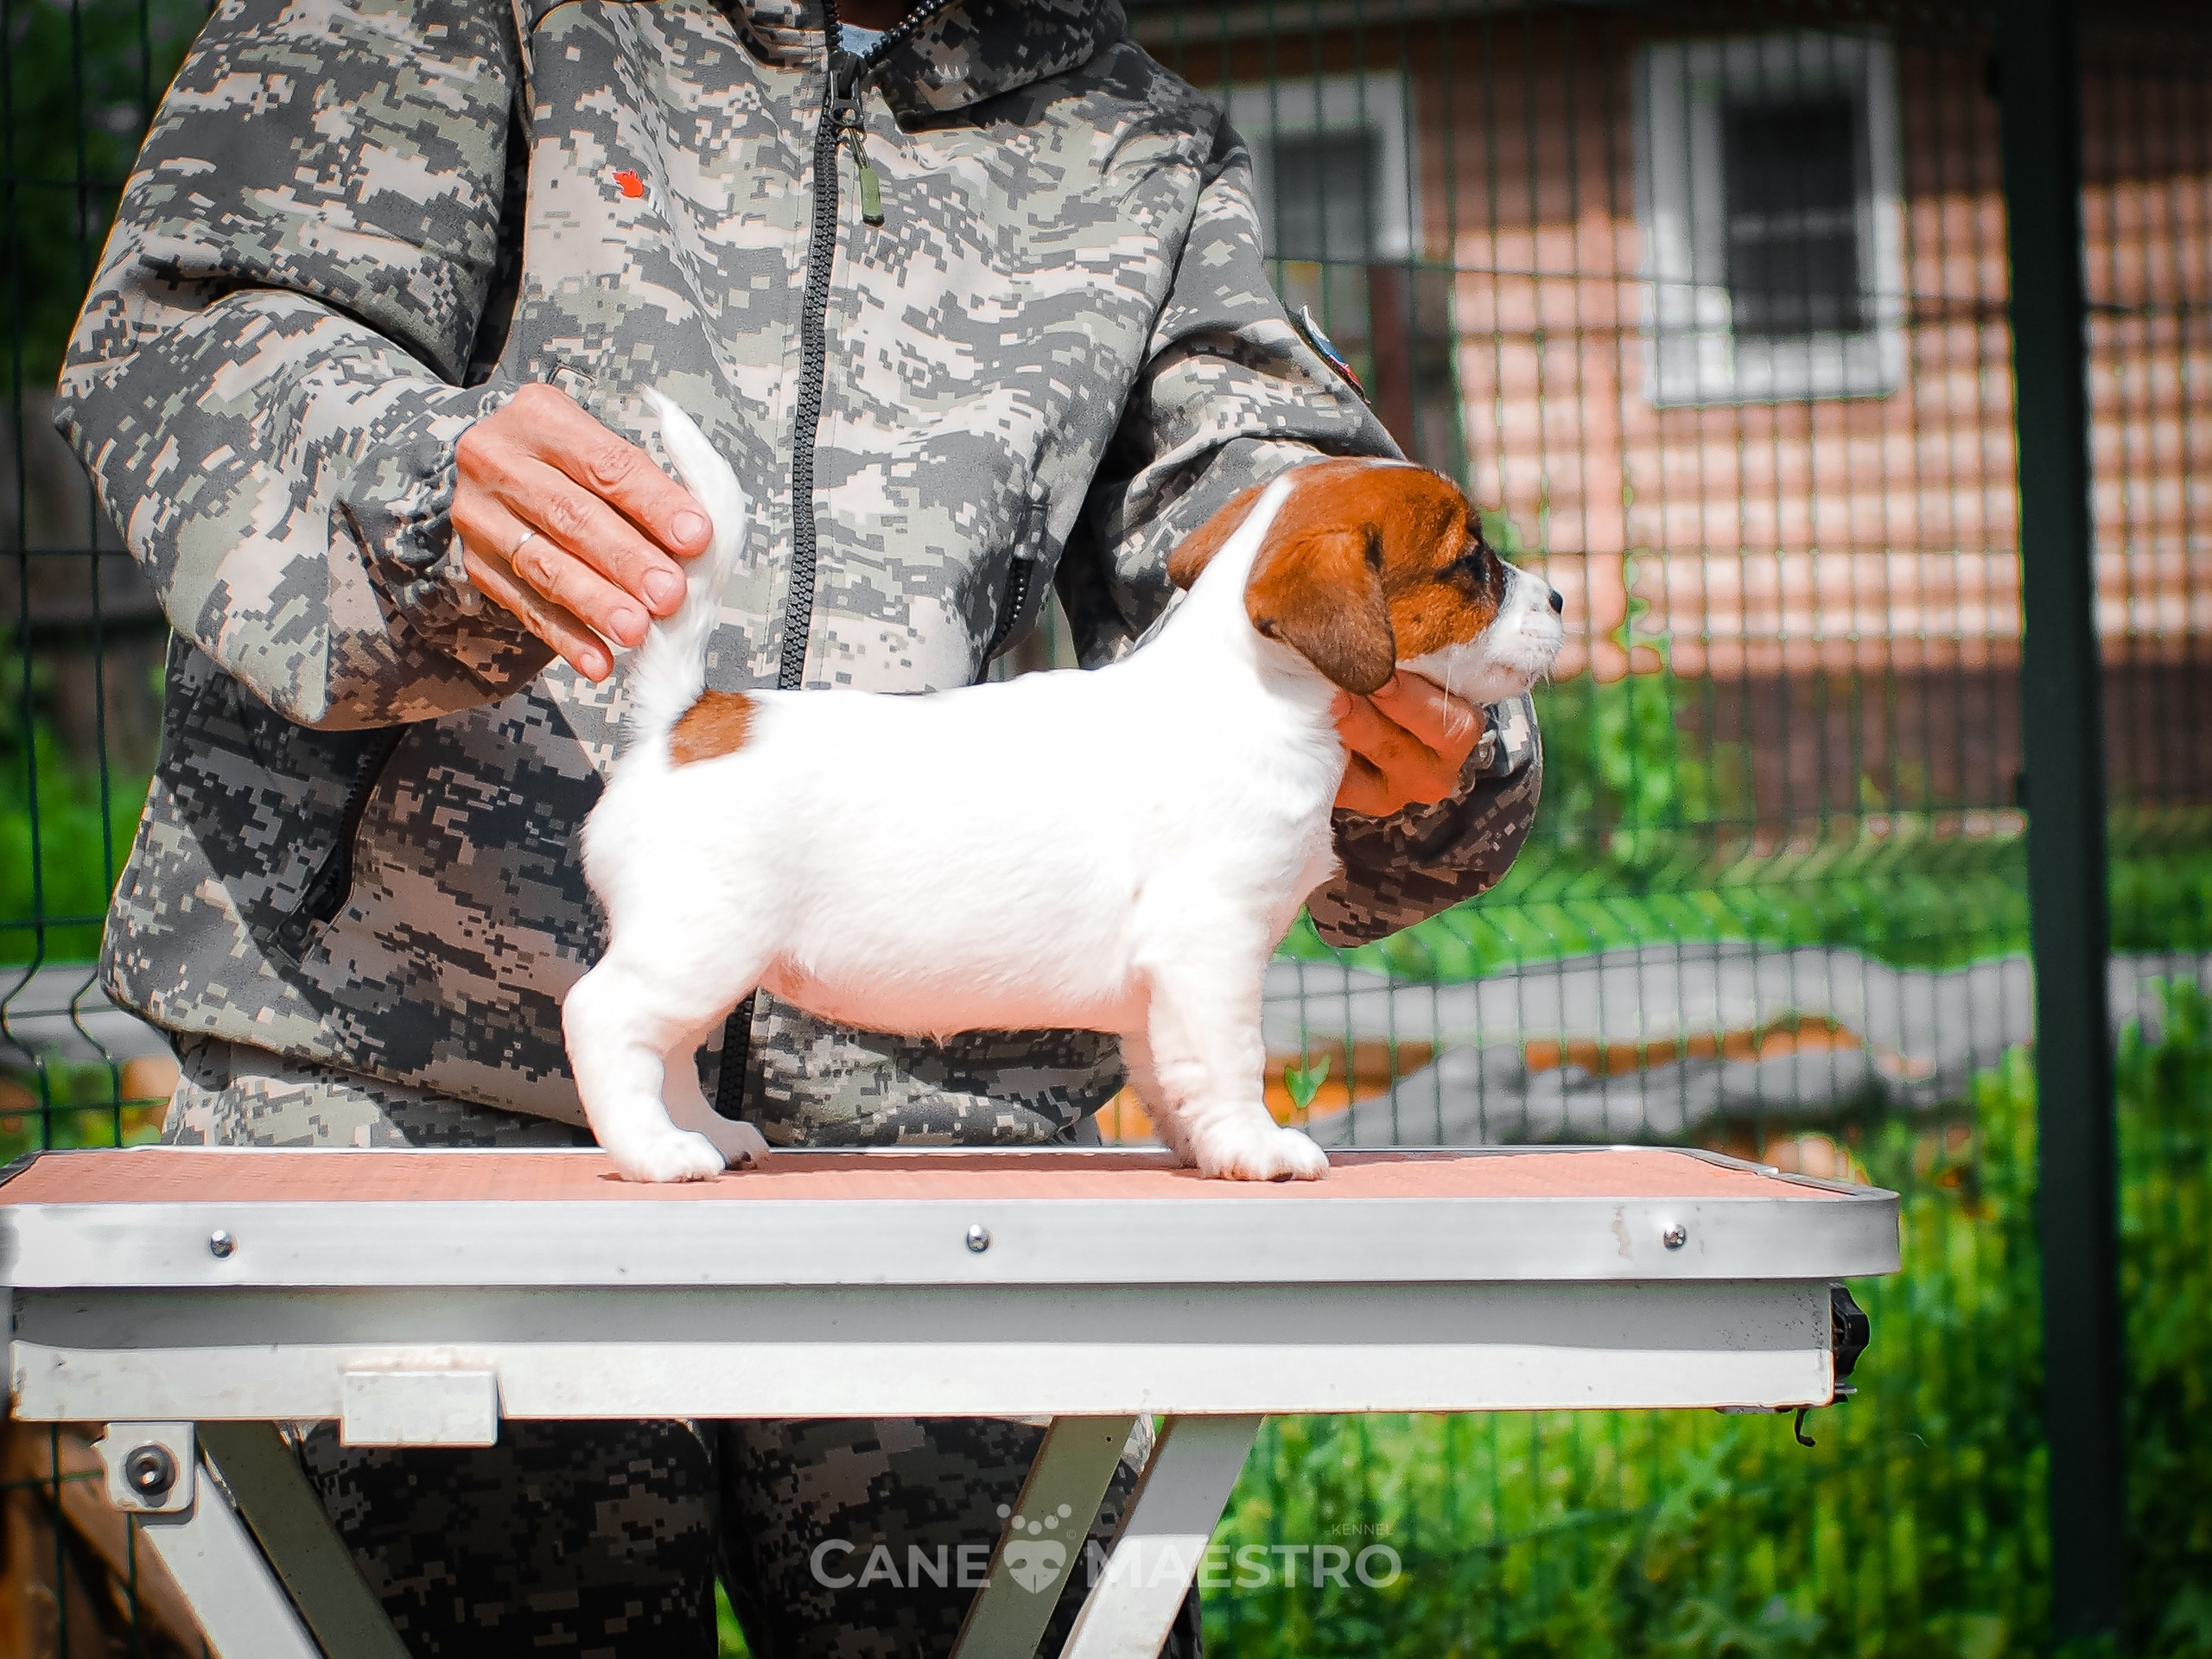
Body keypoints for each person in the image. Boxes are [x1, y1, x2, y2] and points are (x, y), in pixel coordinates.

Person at [55, 0, 1543, 1652]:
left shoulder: (1129, 130)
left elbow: (1282, 501)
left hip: (958, 1162)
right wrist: (425, 481)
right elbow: (183, 337)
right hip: (413, 1118)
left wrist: (1435, 741)